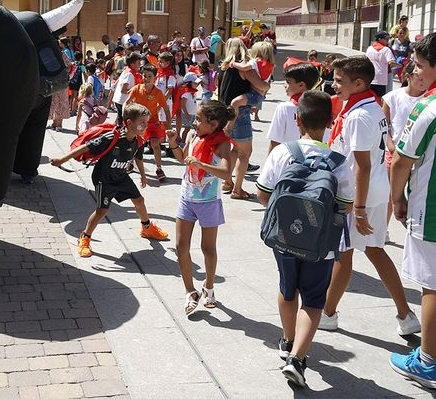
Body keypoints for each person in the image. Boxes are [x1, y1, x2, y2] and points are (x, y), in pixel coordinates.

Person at [256, 91, 354, 387]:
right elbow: (346, 205)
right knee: (312, 300)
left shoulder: (282, 152)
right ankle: (297, 359)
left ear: (297, 120)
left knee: (288, 291)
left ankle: (287, 341)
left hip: (284, 236)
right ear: (330, 122)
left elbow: (263, 193)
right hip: (321, 245)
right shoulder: (339, 161)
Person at [320, 55, 420, 335]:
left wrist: (359, 208)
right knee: (374, 250)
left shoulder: (360, 115)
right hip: (372, 189)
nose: (335, 85)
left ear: (359, 82)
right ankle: (406, 315)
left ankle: (327, 313)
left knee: (344, 254)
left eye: (340, 81)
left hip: (358, 194)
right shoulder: (370, 106)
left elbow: (361, 167)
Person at [50, 103, 169, 258]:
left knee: (139, 201)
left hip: (121, 177)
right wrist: (61, 159)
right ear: (129, 123)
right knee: (102, 211)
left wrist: (143, 175)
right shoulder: (113, 137)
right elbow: (86, 147)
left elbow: (138, 156)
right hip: (103, 179)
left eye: (147, 122)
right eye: (142, 122)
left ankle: (146, 228)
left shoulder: (138, 140)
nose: (146, 126)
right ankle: (85, 237)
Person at [389, 32, 436, 388]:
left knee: (432, 286)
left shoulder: (428, 107)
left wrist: (397, 198)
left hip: (431, 210)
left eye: (420, 66)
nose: (414, 72)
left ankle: (427, 362)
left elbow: (402, 160)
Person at [166, 100, 234, 317]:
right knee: (180, 246)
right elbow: (183, 159)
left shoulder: (223, 144)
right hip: (186, 198)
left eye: (198, 119)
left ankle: (209, 287)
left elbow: (226, 174)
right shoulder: (193, 136)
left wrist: (202, 164)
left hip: (209, 202)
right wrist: (173, 143)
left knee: (208, 248)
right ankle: (190, 291)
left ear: (213, 124)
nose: (194, 123)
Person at [217, 38, 270, 200]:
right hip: (240, 115)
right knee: (245, 154)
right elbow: (261, 85)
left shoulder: (223, 67)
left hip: (225, 114)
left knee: (234, 150)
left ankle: (227, 182)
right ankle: (237, 190)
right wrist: (267, 87)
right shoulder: (244, 67)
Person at [126, 64, 170, 181]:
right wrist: (126, 117)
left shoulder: (158, 92)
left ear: (155, 78)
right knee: (136, 145)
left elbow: (165, 109)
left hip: (153, 122)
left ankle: (159, 169)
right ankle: (130, 163)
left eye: (149, 76)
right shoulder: (136, 89)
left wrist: (168, 125)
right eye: (144, 75)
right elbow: (127, 102)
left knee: (155, 144)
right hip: (138, 123)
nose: (146, 78)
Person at [267, 63, 320, 155]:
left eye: (288, 82)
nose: (284, 85)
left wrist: (268, 166)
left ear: (301, 85)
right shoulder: (320, 108)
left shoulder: (284, 108)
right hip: (312, 161)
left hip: (287, 160)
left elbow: (275, 141)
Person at [223, 41, 274, 118]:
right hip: (260, 95)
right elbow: (267, 84)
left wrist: (233, 64)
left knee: (235, 103)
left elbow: (244, 68)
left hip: (254, 94)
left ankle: (231, 123)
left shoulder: (255, 62)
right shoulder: (269, 65)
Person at [365, 31, 398, 98]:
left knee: (370, 98)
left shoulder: (369, 48)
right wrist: (401, 65)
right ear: (379, 39)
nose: (388, 41)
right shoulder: (386, 49)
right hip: (381, 79)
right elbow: (391, 63)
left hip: (370, 78)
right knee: (380, 99)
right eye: (386, 39)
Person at [111, 53, 139, 126]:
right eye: (138, 63)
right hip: (122, 101)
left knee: (121, 120)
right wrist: (135, 92)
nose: (140, 65)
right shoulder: (129, 74)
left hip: (121, 100)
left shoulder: (127, 70)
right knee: (123, 122)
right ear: (132, 65)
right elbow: (123, 90)